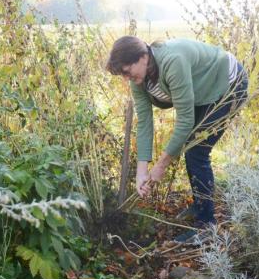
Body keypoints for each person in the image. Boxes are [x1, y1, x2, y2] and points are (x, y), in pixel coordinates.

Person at [106, 36, 249, 244]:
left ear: (144, 57)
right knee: (193, 150)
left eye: (127, 71)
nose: (126, 78)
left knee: (196, 152)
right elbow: (144, 121)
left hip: (227, 84)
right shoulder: (139, 80)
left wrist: (161, 166)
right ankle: (201, 205)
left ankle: (207, 227)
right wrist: (142, 170)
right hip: (202, 92)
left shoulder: (173, 62)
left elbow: (185, 120)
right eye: (123, 74)